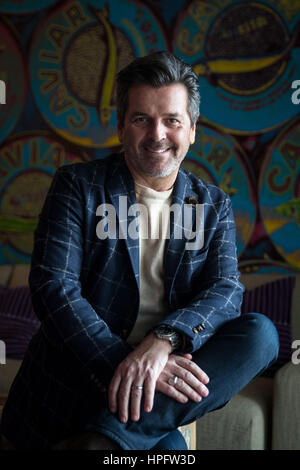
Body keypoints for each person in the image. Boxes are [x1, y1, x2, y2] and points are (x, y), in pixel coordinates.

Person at [1, 51, 279, 450]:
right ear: (120, 127)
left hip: (148, 387)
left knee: (261, 335)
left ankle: (104, 440)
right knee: (171, 453)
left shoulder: (211, 205)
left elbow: (225, 291)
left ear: (192, 130)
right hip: (82, 374)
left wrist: (161, 342)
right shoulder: (77, 186)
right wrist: (130, 363)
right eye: (141, 119)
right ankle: (114, 437)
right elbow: (54, 288)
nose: (157, 134)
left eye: (172, 120)